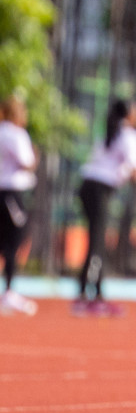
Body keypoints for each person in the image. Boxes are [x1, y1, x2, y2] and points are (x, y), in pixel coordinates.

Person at [75, 99, 136, 317]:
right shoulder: (131, 136)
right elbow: (135, 173)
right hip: (99, 189)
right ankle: (87, 296)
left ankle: (94, 295)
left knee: (97, 240)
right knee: (97, 243)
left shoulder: (111, 131)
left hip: (88, 186)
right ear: (130, 114)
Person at [0, 96, 39, 316]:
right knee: (13, 241)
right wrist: (35, 156)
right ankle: (9, 292)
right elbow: (27, 162)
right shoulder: (15, 134)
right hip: (12, 193)